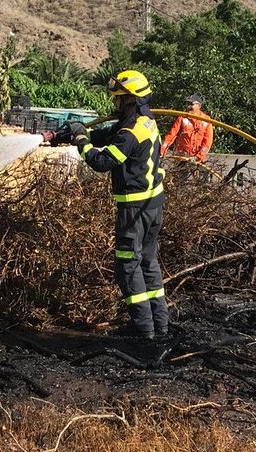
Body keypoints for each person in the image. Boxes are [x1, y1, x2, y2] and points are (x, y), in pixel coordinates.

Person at [59, 70, 168, 340]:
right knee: (147, 262)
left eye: (118, 99)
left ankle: (143, 329)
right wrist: (81, 133)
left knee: (128, 264)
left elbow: (102, 162)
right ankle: (160, 325)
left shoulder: (130, 132)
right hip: (153, 204)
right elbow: (111, 134)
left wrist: (82, 142)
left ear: (129, 99)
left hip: (135, 210)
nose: (114, 104)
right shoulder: (144, 122)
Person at [160, 94, 214, 164]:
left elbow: (207, 142)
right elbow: (171, 135)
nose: (189, 107)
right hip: (182, 157)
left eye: (191, 104)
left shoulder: (206, 120)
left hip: (198, 160)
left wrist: (198, 157)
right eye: (188, 104)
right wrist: (162, 150)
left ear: (199, 106)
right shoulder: (182, 118)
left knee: (201, 174)